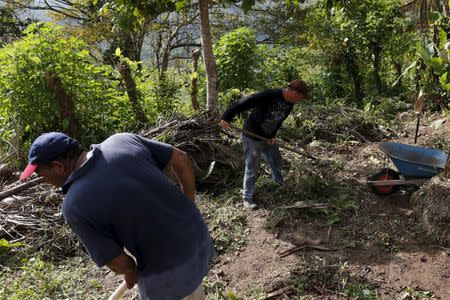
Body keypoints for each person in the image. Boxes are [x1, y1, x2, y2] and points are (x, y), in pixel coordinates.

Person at [20, 132, 214, 300]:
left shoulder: (74, 205)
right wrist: (189, 203)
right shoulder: (122, 141)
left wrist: (130, 272)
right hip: (199, 236)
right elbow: (181, 158)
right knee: (193, 289)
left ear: (58, 166)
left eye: (40, 173)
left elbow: (119, 262)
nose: (42, 180)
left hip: (170, 270)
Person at [219, 79, 309, 209]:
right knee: (252, 167)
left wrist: (272, 136)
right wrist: (227, 116)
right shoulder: (270, 95)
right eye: (300, 96)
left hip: (267, 137)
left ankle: (279, 183)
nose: (300, 100)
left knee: (276, 159)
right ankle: (247, 198)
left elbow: (278, 120)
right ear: (295, 92)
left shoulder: (290, 104)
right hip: (252, 136)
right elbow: (246, 101)